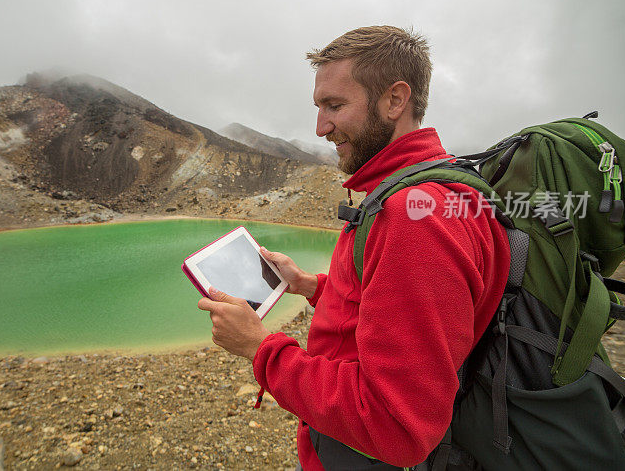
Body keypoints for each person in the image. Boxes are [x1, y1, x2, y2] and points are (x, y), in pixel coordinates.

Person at [197, 26, 511, 469]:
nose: (320, 127)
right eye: (319, 106)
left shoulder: (414, 217)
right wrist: (310, 285)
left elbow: (396, 425)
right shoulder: (426, 185)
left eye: (335, 105)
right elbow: (391, 304)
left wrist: (260, 347)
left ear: (395, 100)